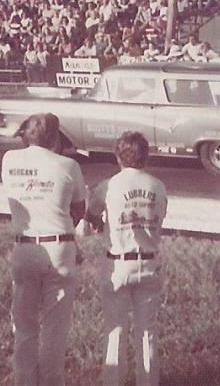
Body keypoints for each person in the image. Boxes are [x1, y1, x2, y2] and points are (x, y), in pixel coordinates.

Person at [1, 113, 87, 385]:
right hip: (59, 246)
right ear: (54, 137)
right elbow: (78, 209)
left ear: (25, 135)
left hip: (25, 247)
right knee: (55, 327)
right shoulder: (68, 165)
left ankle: (24, 381)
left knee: (24, 325)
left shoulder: (9, 160)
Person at [86, 132, 168, 386]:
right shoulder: (157, 186)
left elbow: (90, 215)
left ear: (118, 156)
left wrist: (99, 222)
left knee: (115, 330)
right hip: (149, 261)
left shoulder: (108, 185)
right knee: (147, 331)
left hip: (118, 262)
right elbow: (159, 217)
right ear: (146, 156)